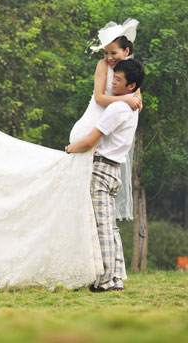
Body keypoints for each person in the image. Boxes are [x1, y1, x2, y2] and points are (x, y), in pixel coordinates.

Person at [66, 58, 145, 292]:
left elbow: (91, 139)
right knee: (110, 226)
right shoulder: (131, 107)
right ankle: (117, 277)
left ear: (131, 86)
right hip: (114, 170)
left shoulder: (118, 107)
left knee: (101, 225)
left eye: (118, 80)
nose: (113, 83)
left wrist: (70, 149)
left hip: (100, 169)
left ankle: (106, 279)